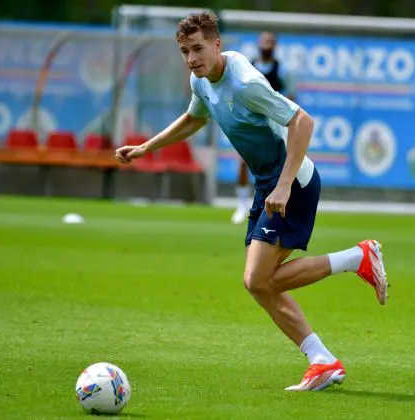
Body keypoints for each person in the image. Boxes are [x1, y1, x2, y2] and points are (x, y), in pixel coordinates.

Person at [115, 11, 389, 392]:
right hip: (268, 185)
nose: (192, 58)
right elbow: (195, 118)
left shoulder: (245, 83)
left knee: (257, 279)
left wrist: (284, 185)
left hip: (292, 184)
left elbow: (303, 122)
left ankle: (356, 261)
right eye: (184, 51)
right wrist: (147, 146)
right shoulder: (202, 81)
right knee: (259, 283)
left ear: (216, 45)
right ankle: (323, 358)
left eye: (198, 48)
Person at [232, 31, 295, 225]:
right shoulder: (248, 68)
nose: (266, 44)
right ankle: (242, 205)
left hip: (274, 123)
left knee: (279, 164)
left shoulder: (282, 70)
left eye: (270, 41)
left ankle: (278, 204)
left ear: (275, 46)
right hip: (253, 122)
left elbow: (291, 97)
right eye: (263, 41)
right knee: (243, 162)